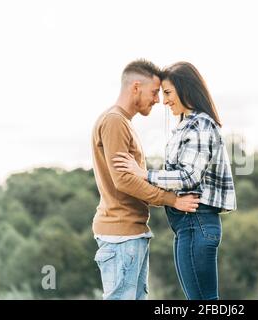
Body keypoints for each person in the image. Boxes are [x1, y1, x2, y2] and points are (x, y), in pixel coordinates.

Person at [112, 61, 237, 300]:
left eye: (168, 93)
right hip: (189, 225)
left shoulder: (199, 125)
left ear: (185, 89)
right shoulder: (187, 125)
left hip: (196, 221)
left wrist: (144, 174)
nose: (165, 100)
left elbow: (189, 176)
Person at [91, 59, 200, 300]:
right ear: (136, 87)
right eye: (154, 92)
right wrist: (172, 201)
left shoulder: (122, 123)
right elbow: (124, 181)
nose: (157, 100)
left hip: (130, 233)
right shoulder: (114, 121)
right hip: (121, 234)